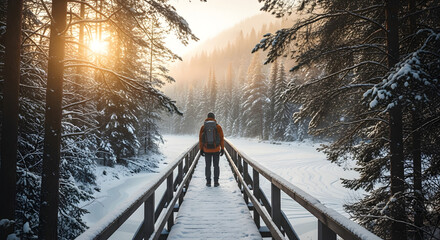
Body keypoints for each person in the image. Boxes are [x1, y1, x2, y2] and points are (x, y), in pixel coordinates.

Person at [199, 112, 225, 187]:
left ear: (207, 117)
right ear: (214, 118)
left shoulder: (203, 127)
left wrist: (201, 149)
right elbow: (221, 138)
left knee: (208, 166)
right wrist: (222, 148)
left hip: (206, 149)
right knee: (216, 166)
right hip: (216, 149)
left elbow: (200, 139)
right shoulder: (218, 127)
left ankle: (208, 182)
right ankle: (216, 182)